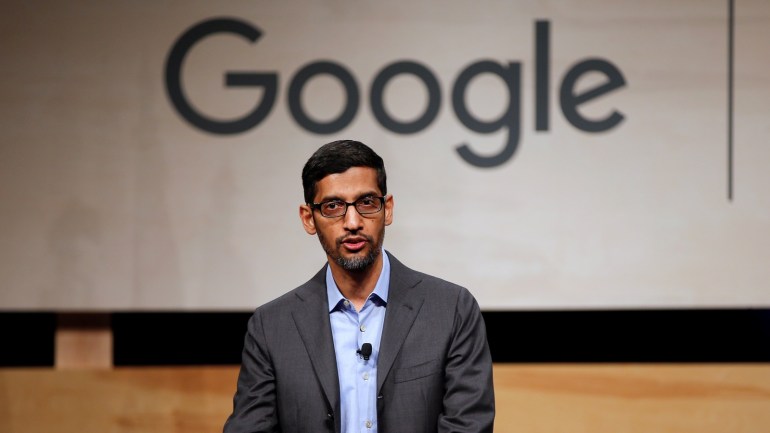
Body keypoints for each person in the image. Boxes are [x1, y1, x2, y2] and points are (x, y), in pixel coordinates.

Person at [224, 140, 495, 433]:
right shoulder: (272, 327)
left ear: (387, 209)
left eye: (366, 203)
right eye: (333, 206)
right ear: (308, 218)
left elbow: (469, 425)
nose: (352, 222)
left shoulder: (451, 310)